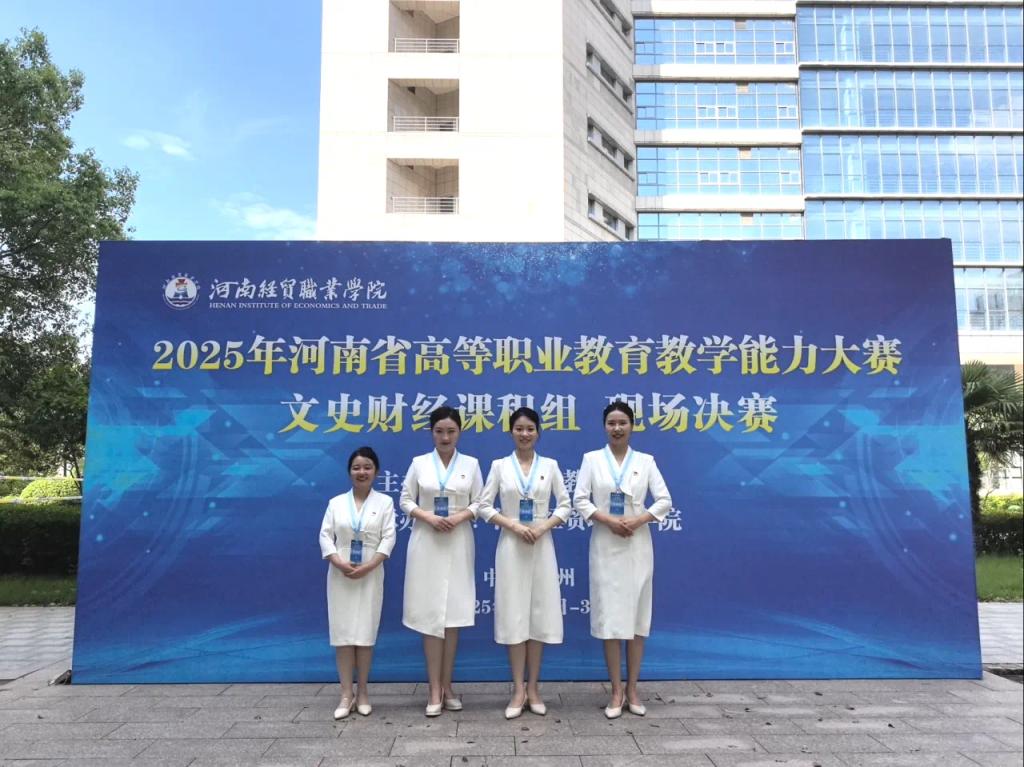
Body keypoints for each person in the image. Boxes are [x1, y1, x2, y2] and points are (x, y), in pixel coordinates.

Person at [572, 401, 673, 719]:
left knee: (638, 620)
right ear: (604, 427)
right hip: (605, 543)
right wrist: (608, 520)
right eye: (611, 423)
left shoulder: (645, 461)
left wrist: (639, 520)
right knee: (611, 619)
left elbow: (665, 500)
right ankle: (615, 691)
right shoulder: (592, 459)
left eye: (623, 423)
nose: (617, 428)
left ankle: (633, 689)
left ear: (632, 426)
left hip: (637, 544)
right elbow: (580, 500)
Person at [477, 407, 571, 719]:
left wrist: (543, 527)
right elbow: (484, 506)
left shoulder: (550, 466)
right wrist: (513, 526)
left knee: (539, 614)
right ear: (511, 432)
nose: (525, 434)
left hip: (541, 545)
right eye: (519, 428)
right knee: (514, 613)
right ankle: (518, 689)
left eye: (530, 428)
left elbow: (566, 505)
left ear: (538, 432)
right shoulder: (500, 466)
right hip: (511, 546)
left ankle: (534, 688)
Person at [400, 406, 484, 716]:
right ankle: (433, 688)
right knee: (430, 616)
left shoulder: (471, 464)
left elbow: (481, 502)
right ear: (431, 433)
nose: (445, 437)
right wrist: (428, 517)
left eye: (451, 431)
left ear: (459, 432)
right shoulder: (419, 464)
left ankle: (447, 686)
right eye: (439, 431)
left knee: (452, 617)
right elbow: (405, 499)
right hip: (427, 542)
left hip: (458, 542)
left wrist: (459, 517)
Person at [318, 446, 397, 720]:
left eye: (367, 467)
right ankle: (345, 694)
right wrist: (338, 562)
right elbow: (325, 536)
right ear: (349, 471)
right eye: (356, 467)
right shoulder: (336, 503)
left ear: (376, 471)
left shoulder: (385, 503)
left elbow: (389, 537)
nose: (361, 472)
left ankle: (362, 692)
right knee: (342, 635)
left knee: (364, 634)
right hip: (340, 573)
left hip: (371, 573)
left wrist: (371, 564)